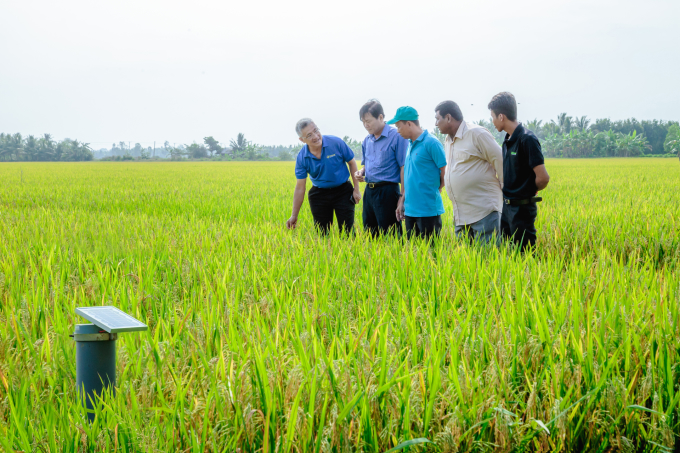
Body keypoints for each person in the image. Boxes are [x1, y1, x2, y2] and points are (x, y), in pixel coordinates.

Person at [435, 100, 504, 244]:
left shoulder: (476, 134)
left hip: (484, 213)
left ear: (448, 117)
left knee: (488, 261)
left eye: (437, 119)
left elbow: (500, 160)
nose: (436, 124)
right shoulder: (448, 140)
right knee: (468, 264)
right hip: (461, 216)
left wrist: (505, 187)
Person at [488, 92, 550, 250]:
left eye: (493, 117)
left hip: (522, 210)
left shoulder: (527, 139)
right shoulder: (507, 140)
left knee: (525, 255)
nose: (492, 122)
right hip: (507, 208)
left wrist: (526, 192)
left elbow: (543, 178)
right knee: (509, 255)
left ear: (501, 116)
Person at [286, 118, 362, 234]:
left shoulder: (336, 143)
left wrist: (356, 189)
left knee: (347, 232)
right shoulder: (302, 157)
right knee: (322, 233)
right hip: (319, 194)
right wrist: (294, 215)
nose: (316, 136)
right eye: (309, 135)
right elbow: (300, 187)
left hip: (343, 191)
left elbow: (352, 162)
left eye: (316, 131)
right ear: (302, 140)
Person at [390, 106, 447, 241]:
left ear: (409, 123)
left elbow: (445, 172)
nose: (397, 131)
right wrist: (402, 201)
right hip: (410, 210)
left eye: (399, 127)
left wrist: (436, 189)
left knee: (430, 254)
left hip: (428, 211)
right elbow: (410, 176)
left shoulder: (431, 143)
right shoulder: (410, 144)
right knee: (414, 255)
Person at [354, 100, 408, 237]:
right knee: (370, 233)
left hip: (388, 192)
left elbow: (404, 168)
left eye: (368, 121)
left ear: (381, 117)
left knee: (391, 235)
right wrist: (361, 172)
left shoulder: (397, 136)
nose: (366, 125)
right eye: (363, 122)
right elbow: (366, 165)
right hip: (369, 192)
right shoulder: (367, 140)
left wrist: (402, 197)